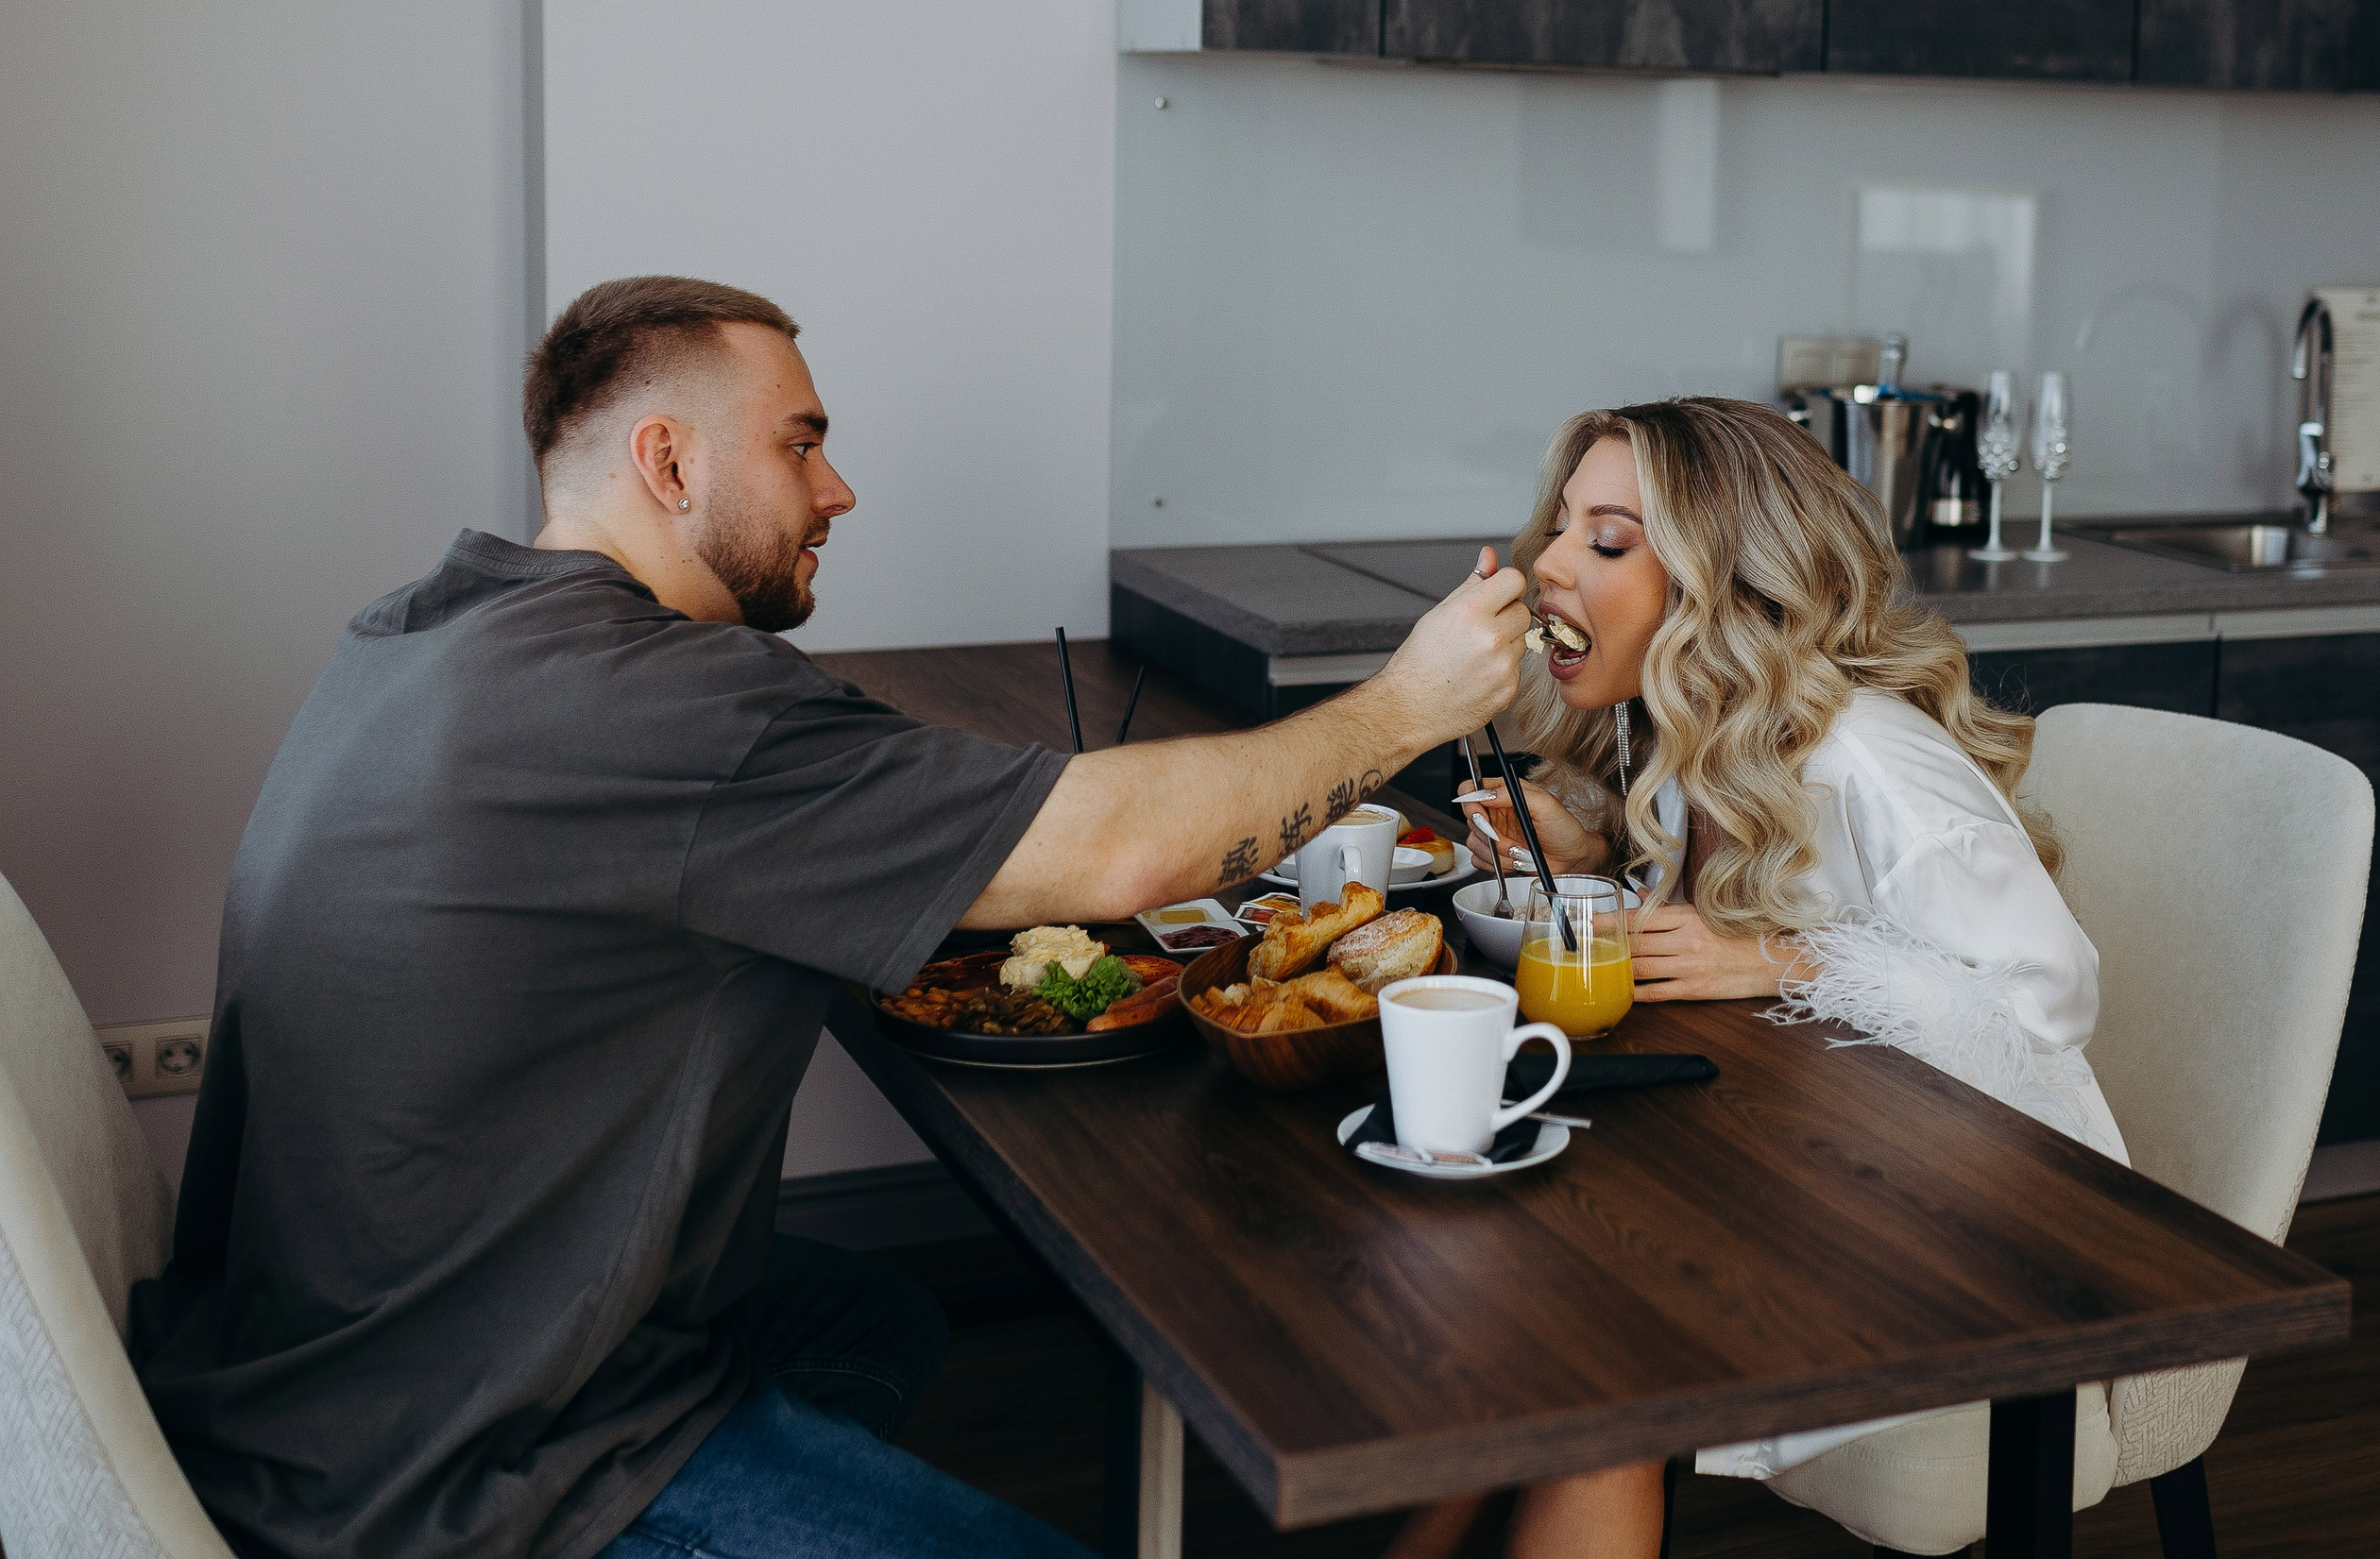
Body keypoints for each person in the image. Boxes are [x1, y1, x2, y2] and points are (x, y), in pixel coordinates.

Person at [129, 275, 1533, 1559]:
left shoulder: (425, 628)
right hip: (468, 1468)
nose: (838, 488)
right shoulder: (671, 706)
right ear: (669, 463)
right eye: (799, 444)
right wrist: (1408, 704)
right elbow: (1117, 858)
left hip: (301, 1364)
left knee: (874, 1319)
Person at [1389, 398, 2131, 1559]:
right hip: (1818, 1153)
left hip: (1981, 1221)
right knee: (1528, 1268)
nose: (1549, 566)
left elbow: (2050, 996)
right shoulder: (1697, 727)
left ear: (1722, 586)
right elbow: (1727, 899)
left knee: (1602, 1363)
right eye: (1562, 527)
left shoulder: (1870, 757)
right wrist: (1593, 844)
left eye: (1608, 541)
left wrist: (1783, 961)